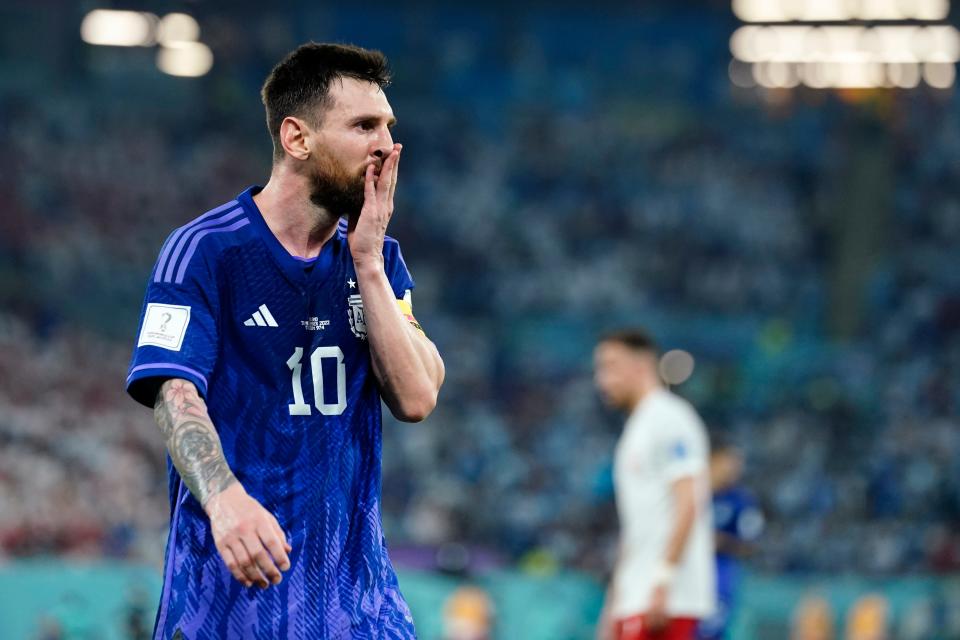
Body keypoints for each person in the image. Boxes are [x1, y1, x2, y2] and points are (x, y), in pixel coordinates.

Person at [125, 42, 445, 639]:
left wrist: (369, 263)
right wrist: (225, 500)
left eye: (389, 127)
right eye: (364, 126)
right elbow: (174, 393)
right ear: (297, 138)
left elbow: (417, 397)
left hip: (357, 609)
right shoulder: (206, 251)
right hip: (229, 600)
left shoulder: (377, 258)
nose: (386, 145)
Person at [593, 329, 715, 640]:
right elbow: (637, 526)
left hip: (663, 598)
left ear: (641, 365)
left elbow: (689, 500)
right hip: (637, 595)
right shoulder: (638, 427)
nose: (602, 380)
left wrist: (663, 579)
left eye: (611, 366)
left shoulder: (670, 417)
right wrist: (614, 600)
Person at [697, 440, 764, 640]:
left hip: (721, 574)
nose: (735, 468)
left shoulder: (741, 500)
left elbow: (753, 545)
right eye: (729, 461)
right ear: (712, 460)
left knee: (710, 631)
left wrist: (720, 542)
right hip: (688, 573)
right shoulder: (692, 492)